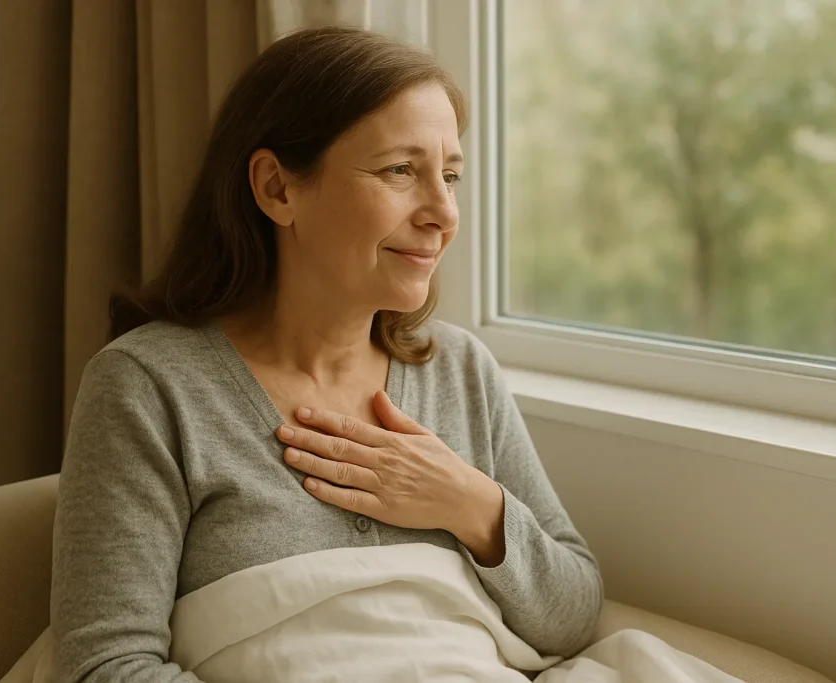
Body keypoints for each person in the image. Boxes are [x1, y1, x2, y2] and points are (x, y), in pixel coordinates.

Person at [51, 27, 603, 682]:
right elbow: (103, 668)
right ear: (277, 189)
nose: (443, 213)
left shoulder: (459, 369)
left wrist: (471, 504)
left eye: (449, 175)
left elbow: (573, 616)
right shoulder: (147, 387)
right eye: (400, 170)